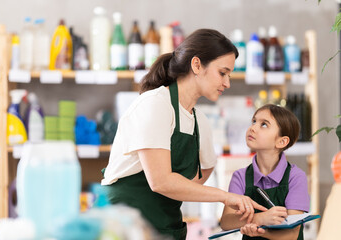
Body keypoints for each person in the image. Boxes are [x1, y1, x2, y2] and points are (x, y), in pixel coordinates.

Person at [101, 28, 267, 240]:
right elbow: (160, 182)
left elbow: (202, 173)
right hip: (122, 228)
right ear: (197, 65)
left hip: (166, 227)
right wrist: (224, 197)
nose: (227, 83)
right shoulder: (155, 104)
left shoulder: (200, 122)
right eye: (222, 73)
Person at [220, 104, 310, 240]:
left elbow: (292, 235)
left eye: (264, 125)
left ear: (282, 141)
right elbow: (226, 222)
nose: (253, 128)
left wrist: (260, 232)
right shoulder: (240, 177)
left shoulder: (296, 177)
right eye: (254, 121)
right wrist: (260, 218)